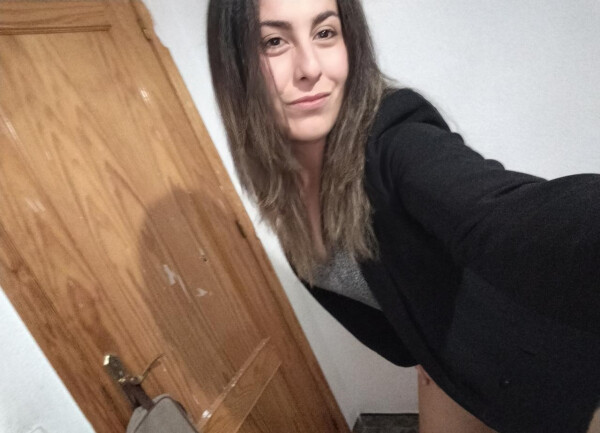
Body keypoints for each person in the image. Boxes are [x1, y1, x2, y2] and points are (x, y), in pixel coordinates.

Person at [206, 0, 600, 432]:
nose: (310, 68)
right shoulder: (283, 189)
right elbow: (388, 323)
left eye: (325, 33)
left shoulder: (396, 139)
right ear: (235, 63)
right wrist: (423, 350)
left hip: (542, 366)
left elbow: (500, 215)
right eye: (274, 42)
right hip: (448, 369)